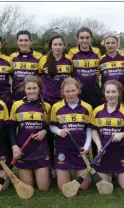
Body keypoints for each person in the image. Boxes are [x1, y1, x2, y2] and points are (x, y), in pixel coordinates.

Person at [39, 35, 73, 177]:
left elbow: (72, 79)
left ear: (63, 45)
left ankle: (64, 163)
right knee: (48, 135)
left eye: (60, 44)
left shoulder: (69, 60)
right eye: (55, 44)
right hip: (47, 102)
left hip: (63, 102)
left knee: (63, 134)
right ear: (50, 46)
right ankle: (50, 165)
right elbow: (40, 78)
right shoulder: (43, 60)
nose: (57, 47)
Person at [9, 76, 51, 191]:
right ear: (24, 89)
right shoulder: (17, 105)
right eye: (29, 88)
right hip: (23, 149)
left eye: (34, 88)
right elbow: (11, 128)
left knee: (43, 188)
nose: (32, 91)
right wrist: (14, 146)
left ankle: (46, 173)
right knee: (28, 187)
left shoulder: (46, 106)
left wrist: (44, 131)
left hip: (40, 149)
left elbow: (49, 125)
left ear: (39, 89)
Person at [49, 77, 92, 190]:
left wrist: (86, 147)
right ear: (63, 92)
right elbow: (52, 125)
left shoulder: (87, 107)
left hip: (80, 150)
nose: (70, 94)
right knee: (62, 187)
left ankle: (86, 175)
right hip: (63, 149)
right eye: (67, 91)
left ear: (78, 90)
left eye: (73, 90)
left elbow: (89, 129)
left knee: (84, 187)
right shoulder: (56, 107)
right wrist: (59, 131)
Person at [91, 80, 124, 189]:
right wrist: (98, 144)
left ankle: (123, 175)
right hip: (104, 151)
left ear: (119, 93)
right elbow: (94, 129)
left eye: (113, 92)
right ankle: (110, 175)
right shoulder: (97, 111)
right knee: (105, 187)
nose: (110, 95)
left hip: (120, 151)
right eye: (108, 92)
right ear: (104, 93)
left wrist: (122, 135)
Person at [67, 27, 102, 110]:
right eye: (82, 38)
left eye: (87, 38)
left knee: (94, 113)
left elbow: (100, 66)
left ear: (91, 39)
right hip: (78, 90)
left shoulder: (97, 51)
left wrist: (99, 71)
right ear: (78, 39)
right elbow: (69, 70)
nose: (85, 40)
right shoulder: (72, 52)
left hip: (93, 88)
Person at [10, 30, 43, 101]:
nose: (23, 43)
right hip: (17, 97)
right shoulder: (12, 57)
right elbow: (11, 75)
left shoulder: (39, 57)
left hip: (34, 96)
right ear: (17, 42)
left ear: (30, 41)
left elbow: (42, 77)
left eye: (26, 40)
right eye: (20, 40)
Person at [100, 35, 124, 101]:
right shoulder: (101, 59)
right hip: (107, 94)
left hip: (122, 93)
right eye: (107, 43)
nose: (110, 45)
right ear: (104, 44)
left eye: (113, 43)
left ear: (117, 44)